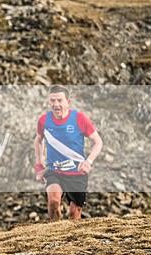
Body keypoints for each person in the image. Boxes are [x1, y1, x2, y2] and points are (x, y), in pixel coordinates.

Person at [34, 85, 103, 221]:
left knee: (74, 214)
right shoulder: (43, 120)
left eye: (60, 100)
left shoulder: (80, 118)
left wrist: (88, 161)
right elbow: (38, 141)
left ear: (68, 102)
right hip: (55, 172)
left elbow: (98, 142)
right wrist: (39, 166)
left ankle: (71, 241)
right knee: (53, 203)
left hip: (77, 174)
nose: (56, 105)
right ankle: (55, 234)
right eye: (52, 101)